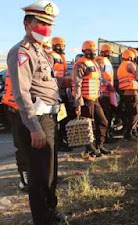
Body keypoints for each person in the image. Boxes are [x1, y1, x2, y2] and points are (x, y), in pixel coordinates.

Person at [7, 1, 61, 223]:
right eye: (41, 22)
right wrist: (34, 127)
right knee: (39, 177)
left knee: (50, 173)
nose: (46, 28)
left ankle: (51, 211)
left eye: (49, 23)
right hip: (37, 120)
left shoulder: (42, 52)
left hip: (50, 117)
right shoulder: (21, 52)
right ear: (26, 24)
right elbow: (21, 94)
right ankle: (43, 219)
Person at [73, 40, 111, 157]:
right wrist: (78, 103)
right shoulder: (80, 64)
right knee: (88, 126)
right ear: (83, 51)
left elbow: (98, 80)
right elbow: (77, 83)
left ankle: (99, 146)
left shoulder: (95, 64)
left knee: (103, 122)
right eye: (89, 50)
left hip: (95, 98)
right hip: (85, 99)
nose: (92, 52)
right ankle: (90, 149)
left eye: (93, 50)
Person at [2, 70, 29, 191]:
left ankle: (27, 179)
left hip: (16, 108)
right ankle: (25, 180)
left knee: (24, 146)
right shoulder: (20, 62)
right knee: (23, 147)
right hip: (17, 109)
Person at [49, 36, 74, 152]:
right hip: (54, 92)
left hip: (61, 92)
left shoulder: (62, 57)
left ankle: (62, 140)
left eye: (63, 46)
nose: (61, 48)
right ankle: (58, 142)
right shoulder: (51, 56)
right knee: (57, 119)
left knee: (64, 117)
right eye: (59, 45)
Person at [117, 49, 138, 140]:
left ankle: (131, 131)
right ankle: (129, 132)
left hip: (125, 93)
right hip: (132, 93)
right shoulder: (130, 65)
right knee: (136, 113)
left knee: (129, 114)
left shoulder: (121, 66)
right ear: (130, 57)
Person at [96, 44, 116, 141]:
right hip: (102, 93)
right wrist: (108, 84)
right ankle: (104, 137)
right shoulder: (100, 60)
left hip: (107, 92)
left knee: (108, 115)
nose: (110, 54)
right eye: (108, 51)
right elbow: (100, 75)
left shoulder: (106, 61)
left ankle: (107, 134)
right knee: (104, 116)